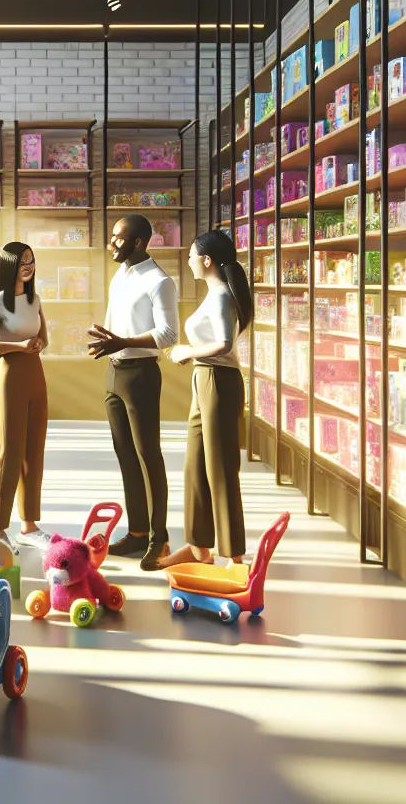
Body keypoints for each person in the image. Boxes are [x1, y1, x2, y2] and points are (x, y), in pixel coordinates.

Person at [85, 214, 179, 571]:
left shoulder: (160, 282)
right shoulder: (121, 274)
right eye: (111, 236)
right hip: (114, 373)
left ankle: (160, 538)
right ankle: (137, 532)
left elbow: (169, 334)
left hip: (141, 375)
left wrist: (122, 342)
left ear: (139, 242)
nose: (112, 243)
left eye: (118, 238)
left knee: (148, 455)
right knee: (125, 455)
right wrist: (109, 344)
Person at [161, 229, 253, 567]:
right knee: (195, 466)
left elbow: (225, 343)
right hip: (205, 379)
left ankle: (235, 557)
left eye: (191, 255)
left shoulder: (220, 297)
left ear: (207, 260)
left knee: (220, 469)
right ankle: (199, 547)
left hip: (218, 380)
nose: (188, 261)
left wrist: (188, 351)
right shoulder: (214, 293)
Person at [0, 241, 49, 548]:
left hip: (36, 373)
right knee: (9, 453)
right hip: (9, 375)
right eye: (22, 262)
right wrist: (19, 346)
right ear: (10, 266)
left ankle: (29, 525)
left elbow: (43, 335)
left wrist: (39, 344)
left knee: (34, 451)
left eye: (31, 261)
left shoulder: (34, 300)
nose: (28, 267)